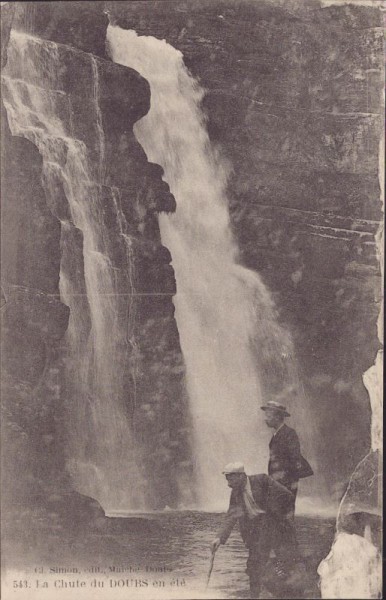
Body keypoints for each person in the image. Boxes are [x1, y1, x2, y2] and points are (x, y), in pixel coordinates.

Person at [211, 463, 304, 599]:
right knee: (253, 568)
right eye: (227, 480)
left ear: (242, 476)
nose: (229, 484)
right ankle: (254, 596)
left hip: (277, 529)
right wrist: (219, 538)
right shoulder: (235, 493)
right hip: (256, 534)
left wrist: (274, 515)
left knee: (287, 565)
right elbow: (231, 515)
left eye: (231, 479)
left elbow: (287, 496)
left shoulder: (262, 480)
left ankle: (292, 594)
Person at [261, 400, 313, 517]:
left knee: (286, 512)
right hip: (277, 481)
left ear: (277, 417)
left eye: (268, 416)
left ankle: (288, 534)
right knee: (279, 513)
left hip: (286, 482)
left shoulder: (289, 433)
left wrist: (284, 481)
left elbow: (295, 457)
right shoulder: (277, 434)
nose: (265, 419)